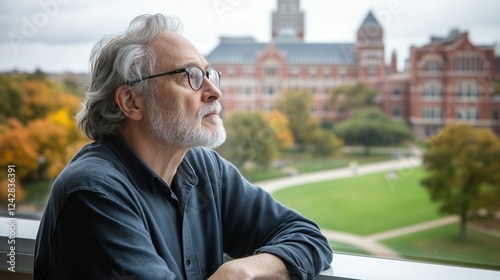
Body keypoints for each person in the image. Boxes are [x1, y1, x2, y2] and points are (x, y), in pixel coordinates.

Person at [34, 14, 332, 280]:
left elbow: (307, 237)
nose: (214, 91)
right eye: (190, 76)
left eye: (209, 75)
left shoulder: (204, 168)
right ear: (132, 101)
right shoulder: (94, 192)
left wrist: (243, 270)